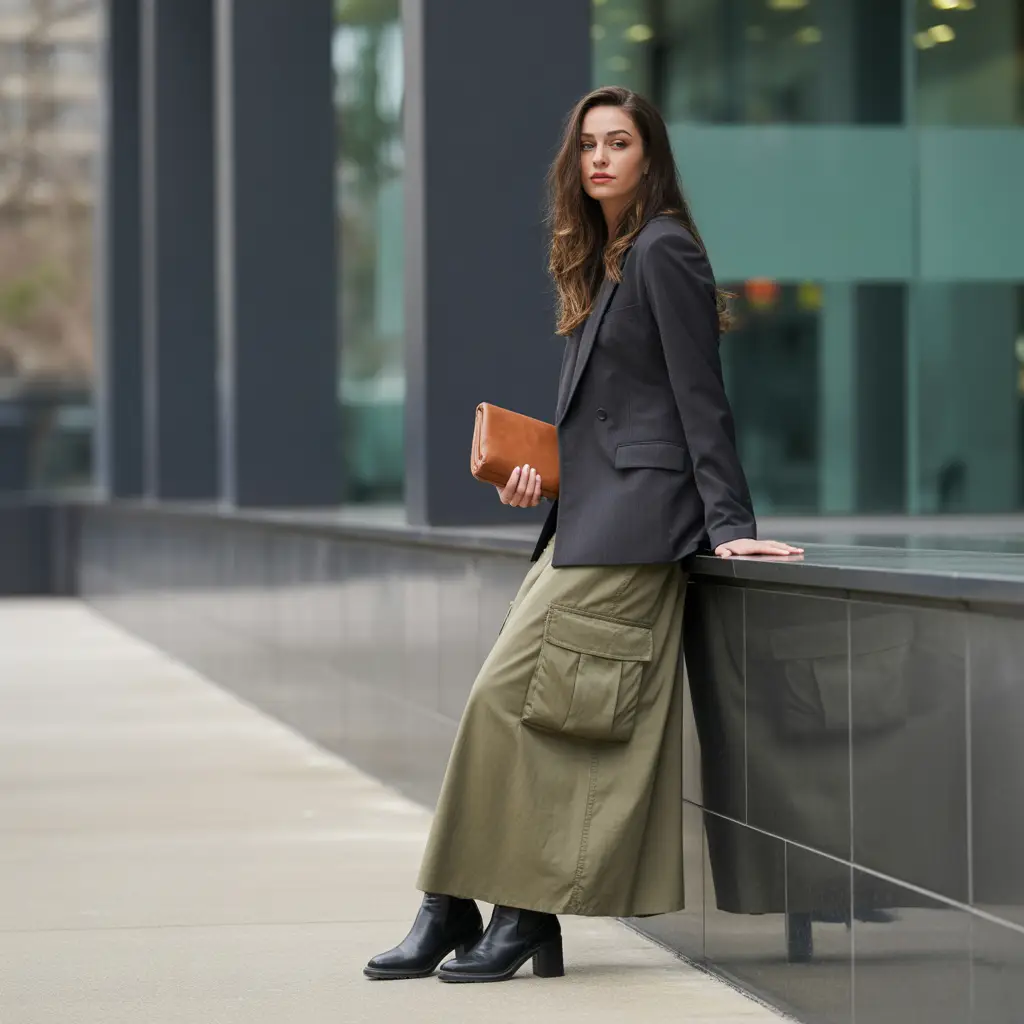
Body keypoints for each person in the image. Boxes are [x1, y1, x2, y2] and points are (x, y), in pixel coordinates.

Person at [364, 85, 803, 985]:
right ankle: (479, 909)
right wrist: (546, 477)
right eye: (589, 145)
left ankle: (489, 910)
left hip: (638, 540)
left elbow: (698, 400)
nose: (601, 157)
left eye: (620, 143)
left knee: (510, 706)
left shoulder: (666, 250)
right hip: (586, 527)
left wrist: (732, 527)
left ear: (650, 159)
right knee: (511, 710)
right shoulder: (608, 260)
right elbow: (614, 420)